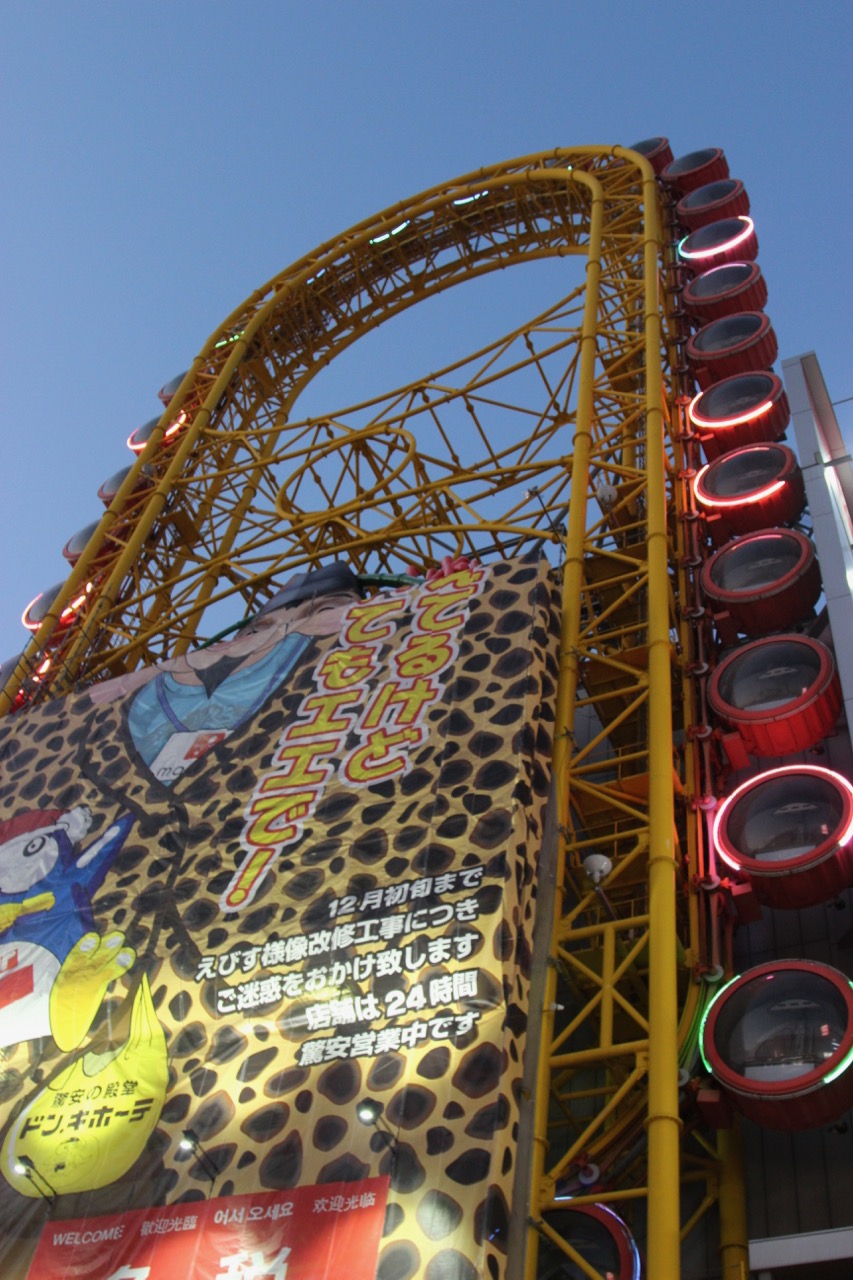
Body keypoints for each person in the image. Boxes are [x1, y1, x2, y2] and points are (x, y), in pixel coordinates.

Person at [90, 562, 363, 786]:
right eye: (257, 630)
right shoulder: (153, 697)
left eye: (327, 611)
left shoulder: (342, 692)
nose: (288, 631)